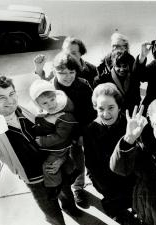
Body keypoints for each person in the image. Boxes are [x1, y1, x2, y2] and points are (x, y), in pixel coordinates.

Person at [0, 75, 81, 225]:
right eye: (1, 97)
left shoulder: (31, 110)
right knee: (52, 214)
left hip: (57, 167)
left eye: (11, 94)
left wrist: (61, 159)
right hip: (35, 181)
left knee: (66, 193)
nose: (11, 101)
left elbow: (62, 137)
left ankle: (70, 207)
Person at [84, 83, 136, 224]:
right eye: (101, 108)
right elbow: (91, 166)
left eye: (111, 107)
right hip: (109, 186)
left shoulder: (129, 124)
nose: (106, 114)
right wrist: (107, 190)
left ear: (119, 107)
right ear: (95, 107)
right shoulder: (91, 130)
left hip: (131, 181)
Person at [49, 51, 96, 205]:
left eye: (71, 72)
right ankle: (63, 192)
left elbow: (89, 112)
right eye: (62, 72)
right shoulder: (49, 89)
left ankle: (78, 188)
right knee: (60, 165)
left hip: (78, 133)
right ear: (55, 71)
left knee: (78, 160)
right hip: (57, 135)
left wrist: (82, 134)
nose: (67, 76)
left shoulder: (83, 85)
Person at [29, 79, 77, 193]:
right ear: (38, 104)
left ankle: (54, 187)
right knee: (63, 164)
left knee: (49, 166)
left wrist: (43, 141)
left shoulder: (63, 115)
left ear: (56, 96)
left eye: (52, 99)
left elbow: (61, 136)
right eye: (45, 103)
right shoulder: (43, 113)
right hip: (52, 146)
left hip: (59, 146)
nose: (50, 104)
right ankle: (72, 172)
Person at [34, 36, 98, 87]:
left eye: (73, 53)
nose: (69, 56)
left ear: (81, 53)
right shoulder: (59, 67)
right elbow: (46, 85)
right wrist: (39, 69)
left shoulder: (92, 70)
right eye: (66, 53)